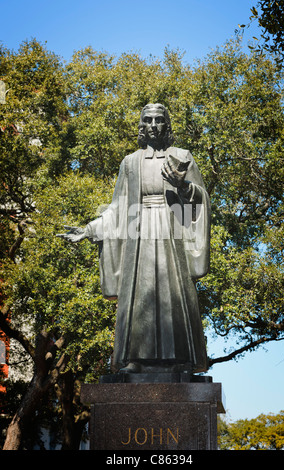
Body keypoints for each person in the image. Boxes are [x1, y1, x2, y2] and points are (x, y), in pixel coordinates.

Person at [57, 103, 210, 374]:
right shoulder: (130, 162)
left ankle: (179, 361)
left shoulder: (181, 156)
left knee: (171, 293)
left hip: (171, 231)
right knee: (141, 294)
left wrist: (183, 186)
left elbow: (200, 201)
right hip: (138, 235)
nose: (153, 125)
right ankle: (135, 359)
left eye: (159, 120)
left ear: (166, 124)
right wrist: (88, 230)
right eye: (148, 120)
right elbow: (118, 207)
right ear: (142, 125)